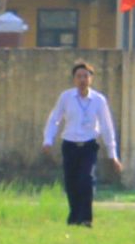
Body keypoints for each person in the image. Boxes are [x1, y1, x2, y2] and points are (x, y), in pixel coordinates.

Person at [41, 61, 121, 225]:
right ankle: (74, 217)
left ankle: (85, 218)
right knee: (71, 183)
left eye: (86, 76)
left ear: (91, 79)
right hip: (70, 145)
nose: (82, 79)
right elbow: (54, 119)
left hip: (89, 146)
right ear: (74, 79)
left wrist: (113, 154)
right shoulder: (66, 97)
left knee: (86, 179)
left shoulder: (99, 100)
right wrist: (48, 140)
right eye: (79, 76)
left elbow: (107, 127)